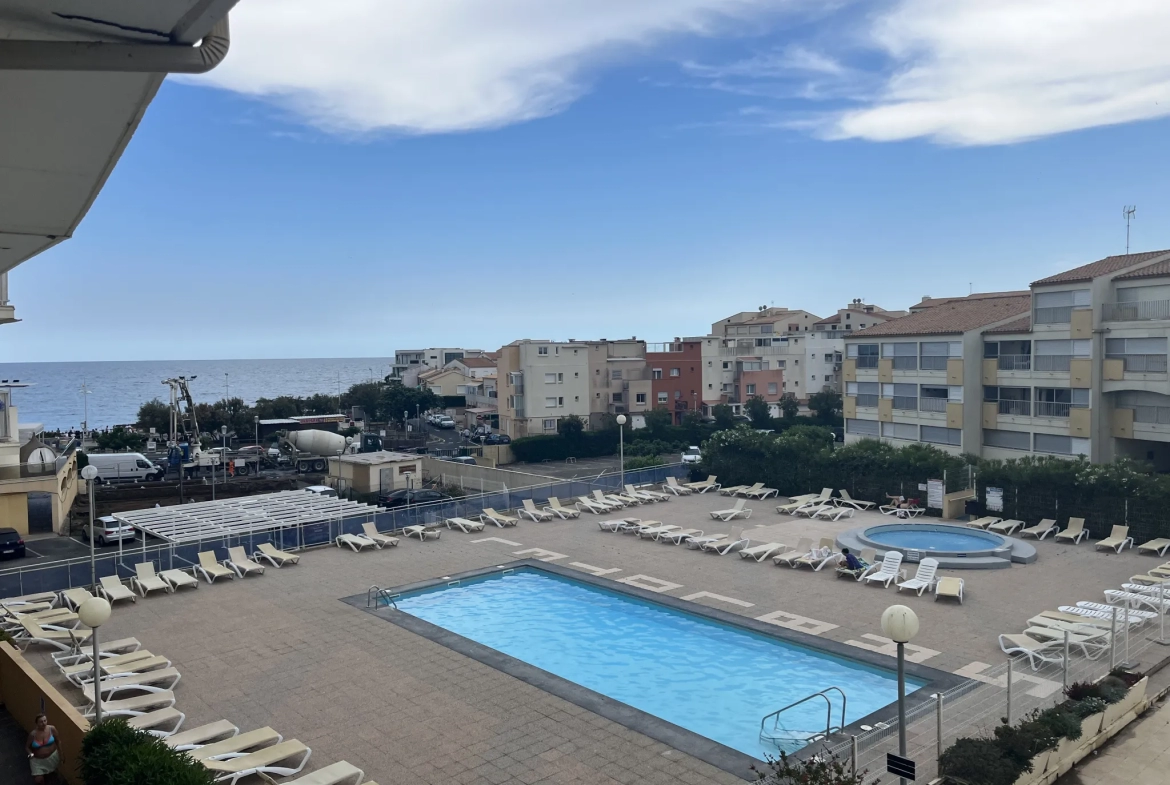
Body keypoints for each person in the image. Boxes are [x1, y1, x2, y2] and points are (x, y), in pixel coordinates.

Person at [26, 713, 59, 783]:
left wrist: (61, 754)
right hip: (37, 761)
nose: (43, 723)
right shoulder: (33, 734)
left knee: (51, 777)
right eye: (41, 722)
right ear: (36, 723)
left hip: (51, 758)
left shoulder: (52, 729)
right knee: (39, 780)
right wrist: (30, 754)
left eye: (45, 721)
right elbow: (27, 747)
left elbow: (58, 741)